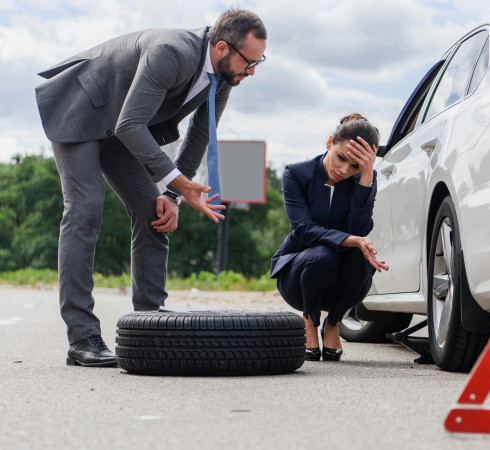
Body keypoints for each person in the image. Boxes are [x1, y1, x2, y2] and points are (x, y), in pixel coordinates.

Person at [34, 8, 268, 367]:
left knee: (152, 209)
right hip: (81, 110)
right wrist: (177, 180)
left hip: (120, 126)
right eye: (249, 61)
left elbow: (199, 136)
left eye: (258, 62)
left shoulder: (223, 79)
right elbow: (131, 124)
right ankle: (82, 337)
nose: (252, 71)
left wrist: (173, 195)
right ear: (222, 47)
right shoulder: (172, 51)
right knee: (85, 208)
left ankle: (150, 319)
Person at [270, 114, 388, 361]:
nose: (344, 170)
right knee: (324, 255)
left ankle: (333, 322)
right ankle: (310, 322)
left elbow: (360, 228)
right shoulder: (296, 174)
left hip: (340, 283)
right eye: (341, 158)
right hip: (298, 275)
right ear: (329, 143)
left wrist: (365, 179)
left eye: (355, 166)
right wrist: (352, 240)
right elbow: (303, 230)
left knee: (361, 256)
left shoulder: (363, 179)